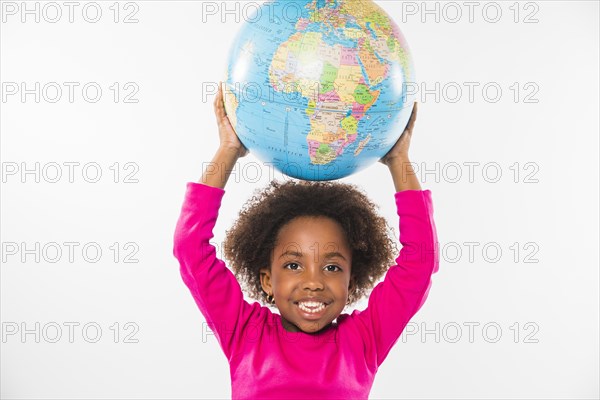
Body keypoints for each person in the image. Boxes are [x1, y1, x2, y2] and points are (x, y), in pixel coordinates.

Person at [173, 83, 439, 399]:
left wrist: (399, 160)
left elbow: (419, 264)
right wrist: (228, 149)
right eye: (294, 264)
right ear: (267, 280)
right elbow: (190, 248)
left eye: (331, 267)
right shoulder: (245, 332)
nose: (313, 282)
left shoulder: (364, 340)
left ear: (351, 281)